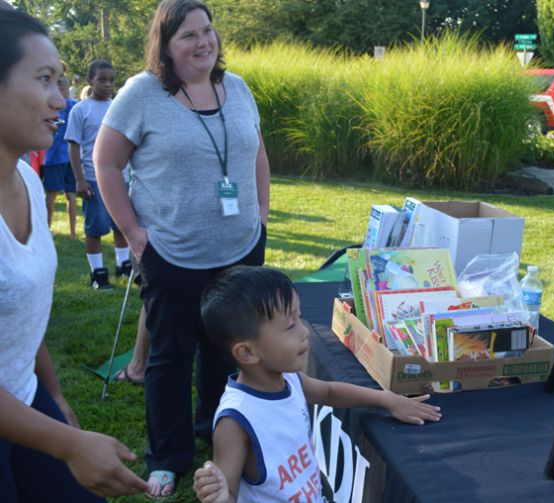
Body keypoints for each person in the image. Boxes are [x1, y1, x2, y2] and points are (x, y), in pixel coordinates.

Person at [94, 0, 271, 496]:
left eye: (208, 30)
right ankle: (168, 456)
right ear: (166, 46)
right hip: (171, 253)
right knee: (171, 356)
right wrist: (134, 233)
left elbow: (256, 150)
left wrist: (261, 215)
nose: (203, 42)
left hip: (239, 249)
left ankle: (216, 435)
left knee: (227, 351)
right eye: (188, 35)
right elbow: (105, 164)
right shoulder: (142, 94)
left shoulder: (236, 88)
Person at [0, 8, 148, 500]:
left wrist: (52, 394)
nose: (62, 99)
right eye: (45, 79)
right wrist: (67, 443)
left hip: (24, 400)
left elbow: (19, 313)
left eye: (61, 80)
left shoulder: (23, 176)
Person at [192, 266, 441, 503]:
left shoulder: (287, 378)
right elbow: (228, 491)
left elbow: (330, 392)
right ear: (247, 353)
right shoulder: (235, 421)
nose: (304, 332)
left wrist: (387, 399)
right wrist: (220, 496)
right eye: (290, 326)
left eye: (299, 318)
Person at [65, 60, 131, 290]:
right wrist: (80, 179)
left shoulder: (118, 107)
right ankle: (97, 273)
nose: (107, 84)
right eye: (102, 80)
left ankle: (124, 265)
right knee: (95, 227)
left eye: (111, 80)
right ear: (90, 81)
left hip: (120, 177)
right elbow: (74, 146)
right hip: (93, 178)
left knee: (122, 225)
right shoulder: (80, 110)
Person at [43, 73, 78, 238]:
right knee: (59, 193)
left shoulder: (68, 106)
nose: (61, 88)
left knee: (61, 193)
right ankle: (57, 231)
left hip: (59, 157)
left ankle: (66, 231)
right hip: (63, 156)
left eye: (62, 85)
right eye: (59, 85)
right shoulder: (72, 106)